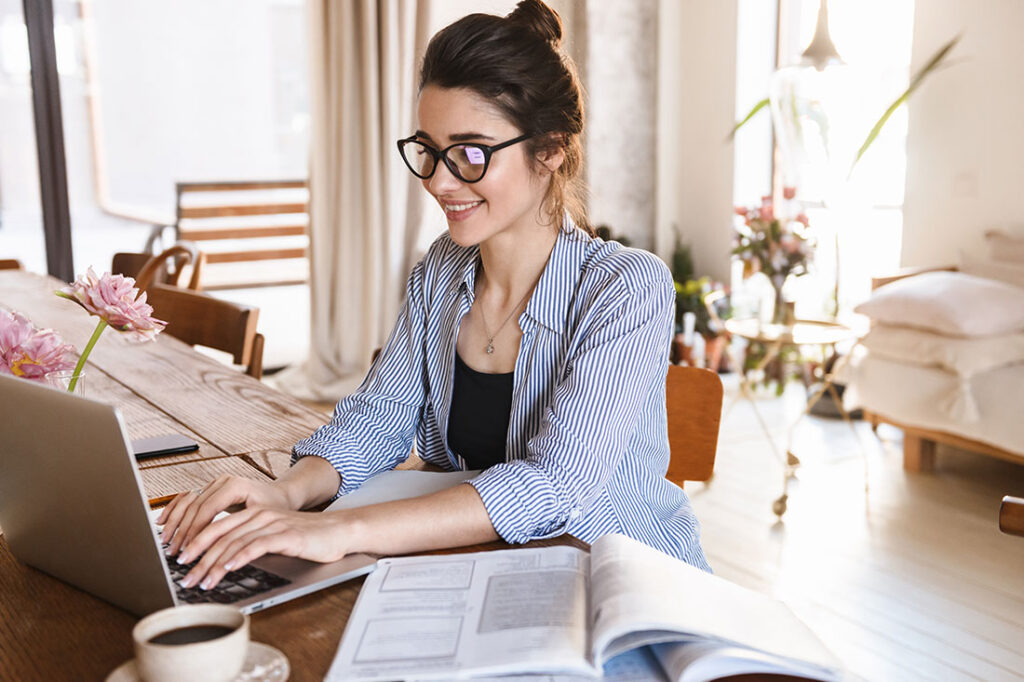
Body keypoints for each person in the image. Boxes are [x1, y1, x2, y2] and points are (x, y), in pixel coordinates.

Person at [158, 0, 709, 592]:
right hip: (480, 571)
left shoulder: (625, 287)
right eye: (429, 149)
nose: (439, 181)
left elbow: (556, 486)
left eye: (471, 153)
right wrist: (283, 493)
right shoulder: (440, 272)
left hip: (616, 584)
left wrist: (340, 531)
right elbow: (374, 422)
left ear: (549, 149)